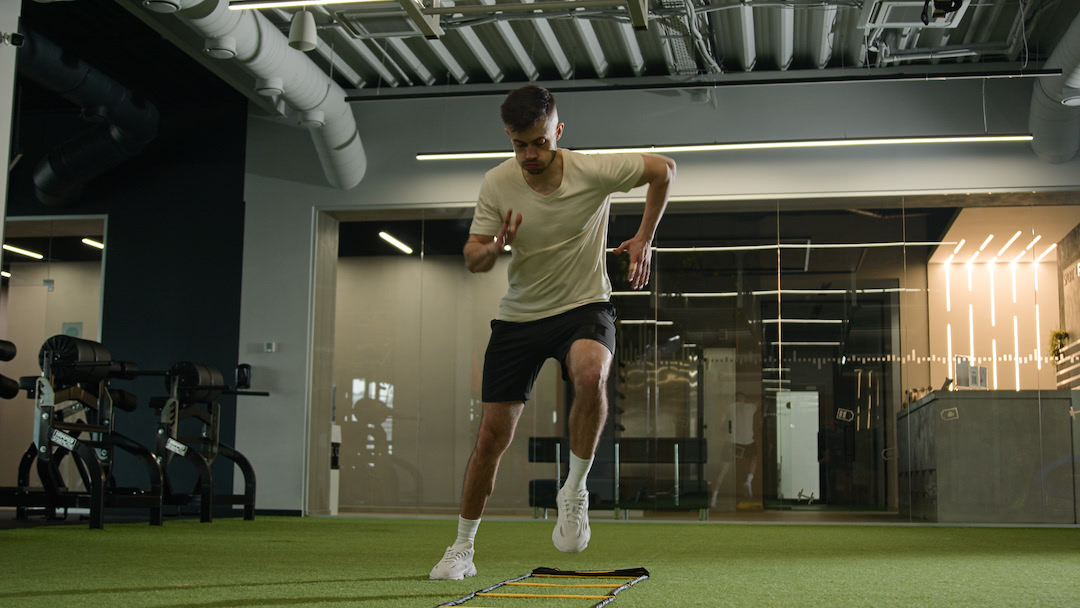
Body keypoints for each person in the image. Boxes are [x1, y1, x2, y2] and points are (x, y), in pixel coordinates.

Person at [429, 85, 676, 580]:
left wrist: (644, 238)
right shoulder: (497, 183)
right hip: (520, 315)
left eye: (540, 143)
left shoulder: (593, 170)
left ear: (558, 133)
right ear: (510, 139)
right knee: (492, 437)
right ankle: (462, 548)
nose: (530, 155)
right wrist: (494, 246)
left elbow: (663, 169)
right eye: (520, 145)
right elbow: (474, 258)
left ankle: (575, 489)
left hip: (584, 304)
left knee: (590, 373)